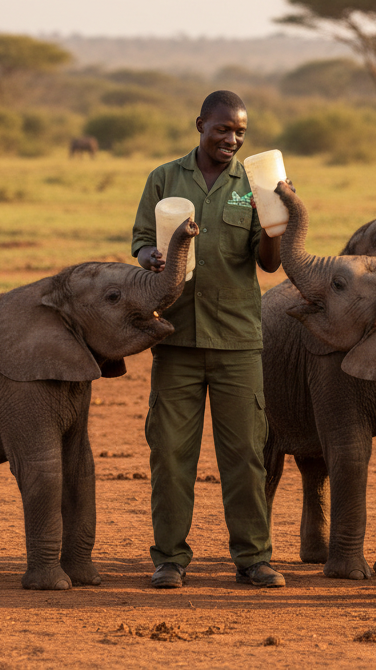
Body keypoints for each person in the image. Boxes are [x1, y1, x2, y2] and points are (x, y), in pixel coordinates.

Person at [131, 90, 285, 589]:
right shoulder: (164, 178)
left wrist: (277, 222)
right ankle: (169, 559)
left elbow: (267, 263)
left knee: (245, 453)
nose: (232, 139)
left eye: (240, 132)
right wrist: (152, 258)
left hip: (238, 339)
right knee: (171, 452)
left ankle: (253, 558)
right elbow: (140, 243)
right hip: (175, 337)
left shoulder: (255, 184)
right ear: (200, 124)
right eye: (222, 129)